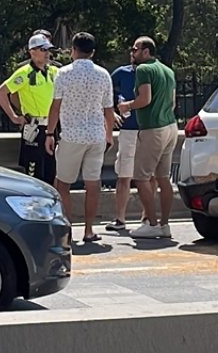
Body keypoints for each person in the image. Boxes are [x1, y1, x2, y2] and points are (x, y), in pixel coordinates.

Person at [45, 33, 115, 243]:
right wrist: (109, 134)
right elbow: (108, 110)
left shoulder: (63, 74)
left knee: (63, 183)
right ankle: (89, 229)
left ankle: (67, 230)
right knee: (93, 183)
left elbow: (55, 106)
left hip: (72, 135)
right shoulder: (103, 75)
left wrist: (50, 133)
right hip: (96, 135)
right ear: (92, 52)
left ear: (73, 50)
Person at [117, 36, 178, 239]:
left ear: (145, 51)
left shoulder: (143, 70)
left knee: (141, 177)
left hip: (153, 128)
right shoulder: (167, 70)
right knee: (163, 178)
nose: (132, 53)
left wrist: (127, 106)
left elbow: (145, 99)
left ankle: (151, 223)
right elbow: (173, 103)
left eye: (135, 49)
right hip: (170, 127)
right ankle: (165, 224)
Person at [0, 34, 60, 185]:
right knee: (34, 171)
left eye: (48, 50)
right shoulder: (24, 73)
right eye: (43, 50)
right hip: (34, 127)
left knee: (51, 170)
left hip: (52, 126)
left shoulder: (54, 72)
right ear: (32, 51)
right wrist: (14, 117)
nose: (47, 54)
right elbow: (1, 92)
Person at [107, 50, 149, 232]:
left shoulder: (151, 73)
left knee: (149, 175)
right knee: (124, 175)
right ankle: (120, 218)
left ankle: (147, 217)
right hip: (128, 129)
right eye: (131, 50)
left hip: (148, 129)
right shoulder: (121, 73)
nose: (132, 53)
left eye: (135, 49)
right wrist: (113, 112)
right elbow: (106, 93)